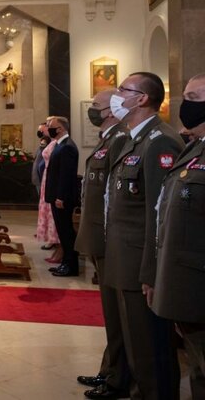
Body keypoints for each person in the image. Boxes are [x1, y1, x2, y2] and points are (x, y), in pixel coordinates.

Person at [103, 72, 183, 399]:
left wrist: (151, 270)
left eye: (124, 89)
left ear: (141, 99)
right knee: (136, 343)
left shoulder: (159, 141)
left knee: (150, 347)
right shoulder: (134, 138)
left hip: (139, 262)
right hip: (125, 257)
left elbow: (158, 213)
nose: (116, 95)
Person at [74, 89, 131, 399]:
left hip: (111, 239)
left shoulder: (120, 139)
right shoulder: (109, 137)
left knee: (120, 315)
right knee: (112, 314)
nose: (91, 109)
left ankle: (118, 376)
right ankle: (110, 370)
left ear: (111, 110)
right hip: (100, 237)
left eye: (95, 105)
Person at [152, 73, 205, 399]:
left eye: (196, 97)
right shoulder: (194, 150)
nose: (187, 104)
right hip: (187, 283)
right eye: (185, 95)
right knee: (198, 368)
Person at [44, 116, 79, 276]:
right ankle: (65, 263)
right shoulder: (60, 144)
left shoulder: (67, 147)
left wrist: (60, 197)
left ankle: (70, 266)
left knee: (66, 233)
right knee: (63, 232)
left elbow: (66, 175)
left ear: (61, 129)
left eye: (51, 126)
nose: (48, 128)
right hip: (56, 196)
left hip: (62, 199)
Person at [36, 117, 61, 260]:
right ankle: (54, 242)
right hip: (46, 180)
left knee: (54, 216)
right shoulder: (50, 142)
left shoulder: (59, 144)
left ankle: (58, 246)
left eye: (47, 125)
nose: (43, 130)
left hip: (51, 181)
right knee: (49, 214)